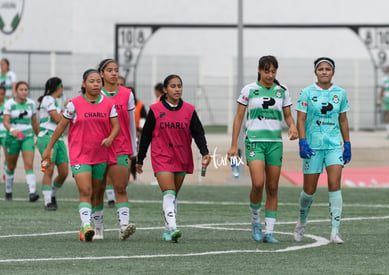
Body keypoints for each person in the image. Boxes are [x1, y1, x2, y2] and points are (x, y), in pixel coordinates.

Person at [42, 69, 120, 242]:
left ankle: (98, 226)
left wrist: (110, 138)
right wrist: (48, 148)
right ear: (84, 84)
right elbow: (61, 126)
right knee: (86, 190)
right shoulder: (74, 104)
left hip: (101, 154)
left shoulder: (109, 103)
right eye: (92, 81)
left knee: (98, 192)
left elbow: (116, 126)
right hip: (80, 155)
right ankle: (86, 226)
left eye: (98, 81)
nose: (96, 84)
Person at [227, 55, 298, 243]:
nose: (270, 75)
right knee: (258, 184)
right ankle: (255, 223)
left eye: (273, 72)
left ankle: (269, 231)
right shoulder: (249, 90)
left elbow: (288, 116)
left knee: (273, 187)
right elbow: (238, 118)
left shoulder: (282, 91)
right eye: (267, 71)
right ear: (259, 70)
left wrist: (292, 126)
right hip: (255, 142)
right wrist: (234, 145)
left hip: (274, 143)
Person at [137, 74, 211, 242]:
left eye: (179, 86)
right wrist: (140, 159)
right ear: (165, 90)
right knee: (169, 193)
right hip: (161, 157)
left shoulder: (189, 110)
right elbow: (146, 136)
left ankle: (167, 230)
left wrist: (204, 152)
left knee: (172, 195)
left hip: (181, 156)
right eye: (173, 86)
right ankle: (174, 227)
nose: (177, 89)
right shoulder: (155, 110)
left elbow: (198, 133)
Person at [293, 57, 351, 244]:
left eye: (328, 69)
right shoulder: (307, 93)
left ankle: (335, 231)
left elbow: (342, 119)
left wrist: (347, 143)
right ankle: (301, 222)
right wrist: (302, 142)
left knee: (335, 185)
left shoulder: (340, 93)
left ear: (333, 72)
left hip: (334, 146)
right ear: (315, 72)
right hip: (313, 147)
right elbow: (300, 119)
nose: (324, 72)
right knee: (309, 191)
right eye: (321, 69)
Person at [93, 59, 137, 241]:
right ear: (101, 74)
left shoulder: (127, 94)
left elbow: (132, 124)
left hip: (120, 146)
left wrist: (134, 150)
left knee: (120, 186)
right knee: (98, 189)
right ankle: (97, 228)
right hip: (99, 148)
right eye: (109, 70)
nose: (114, 73)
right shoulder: (95, 94)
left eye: (116, 70)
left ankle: (124, 226)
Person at [3, 81, 39, 201]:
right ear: (16, 91)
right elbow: (6, 121)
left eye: (25, 90)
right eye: (21, 89)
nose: (24, 92)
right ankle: (8, 191)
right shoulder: (9, 103)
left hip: (27, 136)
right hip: (13, 137)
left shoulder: (31, 104)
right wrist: (12, 130)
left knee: (29, 164)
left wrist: (38, 136)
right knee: (11, 166)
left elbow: (34, 122)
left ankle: (32, 192)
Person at [37, 77, 69, 210]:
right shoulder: (48, 99)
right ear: (58, 88)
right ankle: (47, 201)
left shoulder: (55, 102)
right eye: (62, 87)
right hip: (47, 137)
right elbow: (57, 119)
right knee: (49, 169)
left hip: (59, 139)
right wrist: (67, 110)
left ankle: (52, 193)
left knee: (64, 172)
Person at [0, 86, 7, 183]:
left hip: (5, 133)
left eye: (2, 94)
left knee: (7, 156)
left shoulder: (7, 105)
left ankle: (5, 175)